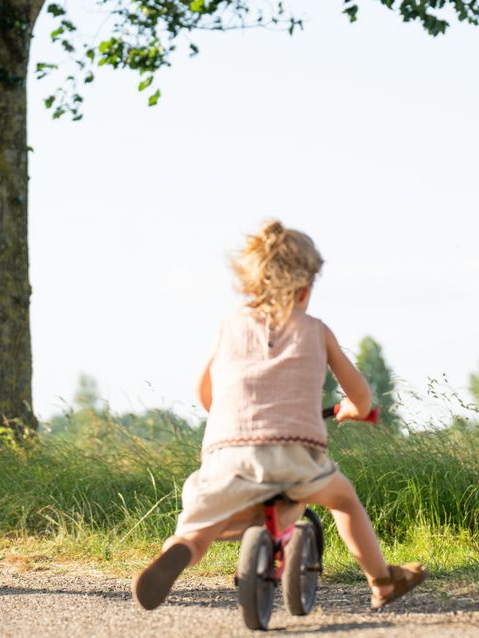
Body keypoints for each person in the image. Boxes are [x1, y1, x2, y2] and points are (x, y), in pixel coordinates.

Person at [132, 220, 425, 610]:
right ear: (304, 290)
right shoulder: (315, 330)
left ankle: (181, 549)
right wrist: (355, 410)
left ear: (249, 285)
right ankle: (382, 581)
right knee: (344, 501)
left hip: (227, 458)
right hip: (295, 458)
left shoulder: (228, 328)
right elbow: (360, 395)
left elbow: (204, 393)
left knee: (199, 529)